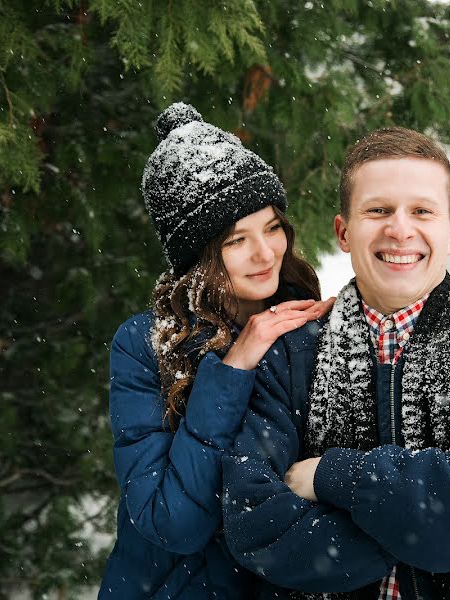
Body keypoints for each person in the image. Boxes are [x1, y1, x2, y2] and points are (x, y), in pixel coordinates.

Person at [222, 126, 450, 599]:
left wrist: (329, 477)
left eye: (422, 211)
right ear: (343, 231)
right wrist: (432, 500)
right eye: (378, 210)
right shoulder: (291, 353)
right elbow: (256, 528)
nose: (400, 229)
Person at [98, 102, 333, 599]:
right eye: (236, 240)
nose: (266, 253)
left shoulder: (315, 328)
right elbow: (173, 523)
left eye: (272, 228)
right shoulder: (143, 346)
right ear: (198, 255)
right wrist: (234, 368)